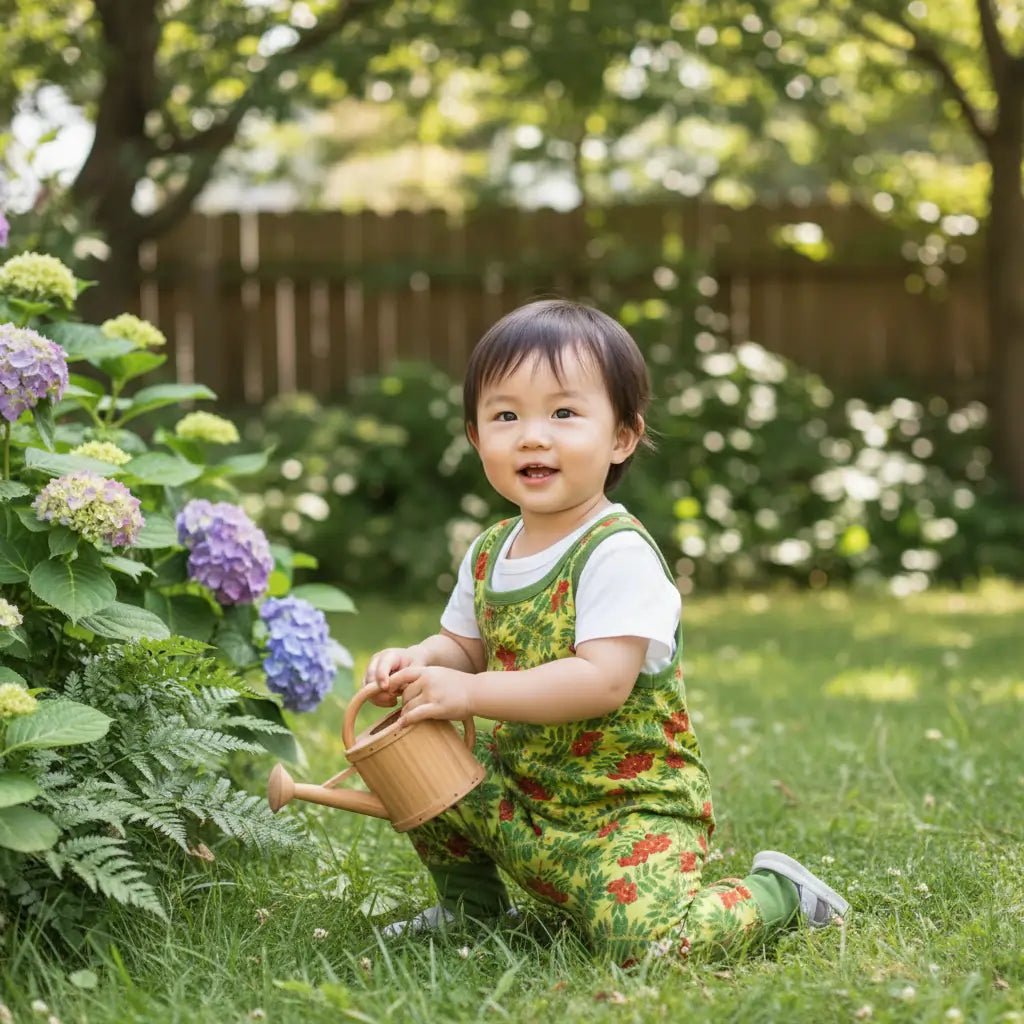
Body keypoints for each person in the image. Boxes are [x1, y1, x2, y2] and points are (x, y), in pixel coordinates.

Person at [360, 298, 847, 963]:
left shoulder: (615, 552)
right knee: (420, 743)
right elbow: (463, 648)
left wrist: (467, 694)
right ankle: (471, 907)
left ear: (621, 436)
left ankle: (775, 894)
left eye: (564, 413)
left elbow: (601, 682)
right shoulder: (489, 550)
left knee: (642, 944)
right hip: (522, 790)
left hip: (626, 809)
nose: (533, 436)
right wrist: (417, 662)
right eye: (506, 415)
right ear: (477, 439)